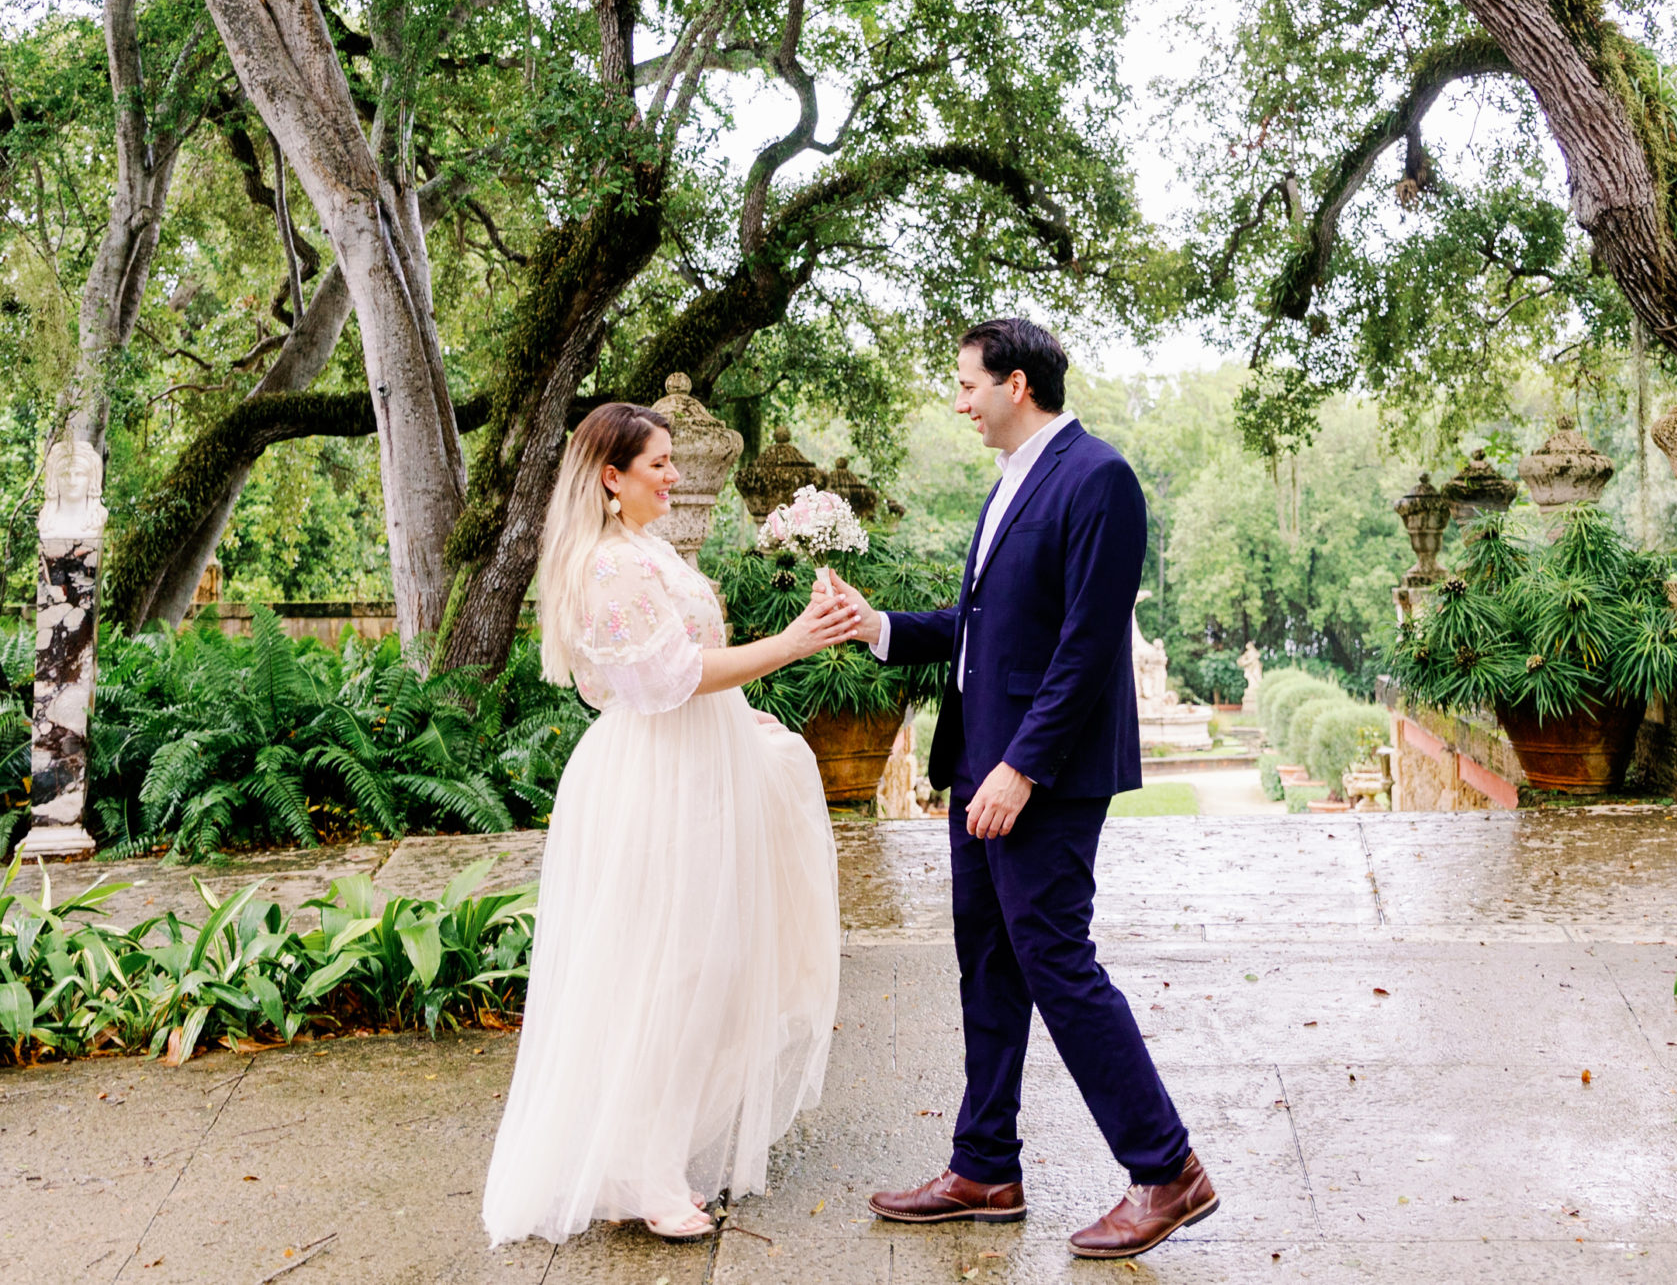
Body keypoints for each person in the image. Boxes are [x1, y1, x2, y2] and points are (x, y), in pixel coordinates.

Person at [843, 318, 1217, 1260]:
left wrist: (1023, 766)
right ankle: (985, 1166)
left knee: (1056, 960)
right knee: (990, 963)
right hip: (981, 764)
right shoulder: (1011, 480)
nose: (959, 403)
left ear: (1017, 383)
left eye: (968, 385)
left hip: (1037, 777)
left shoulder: (1099, 478)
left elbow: (1089, 648)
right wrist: (876, 624)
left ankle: (1167, 1169)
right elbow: (980, 627)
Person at [483, 402, 858, 1246]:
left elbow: (679, 676)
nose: (676, 475)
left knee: (705, 963)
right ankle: (647, 1171)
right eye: (659, 462)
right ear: (612, 477)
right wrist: (795, 641)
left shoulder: (649, 550)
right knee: (670, 969)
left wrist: (745, 719)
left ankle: (641, 1155)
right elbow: (672, 678)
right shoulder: (609, 565)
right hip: (655, 784)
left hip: (696, 763)